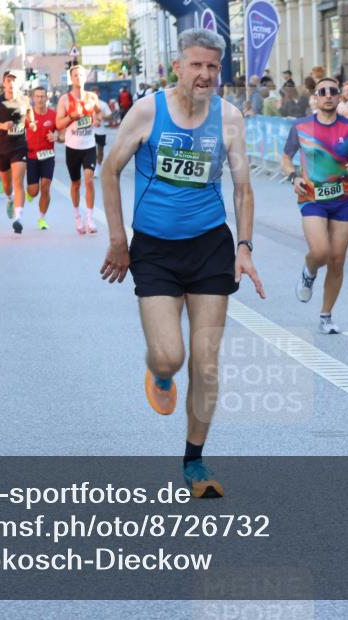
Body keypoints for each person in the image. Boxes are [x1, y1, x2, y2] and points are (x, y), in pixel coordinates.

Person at [99, 28, 264, 498]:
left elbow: (243, 189)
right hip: (155, 248)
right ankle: (160, 371)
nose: (205, 74)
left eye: (212, 66)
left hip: (210, 245)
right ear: (178, 66)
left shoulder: (228, 118)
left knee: (207, 364)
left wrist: (245, 246)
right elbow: (109, 171)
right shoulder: (148, 111)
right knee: (171, 354)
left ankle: (194, 460)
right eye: (196, 65)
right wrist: (118, 240)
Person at [280, 77, 348, 334]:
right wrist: (293, 176)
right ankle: (309, 272)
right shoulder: (301, 126)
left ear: (340, 96)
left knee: (337, 260)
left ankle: (326, 316)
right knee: (320, 251)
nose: (328, 95)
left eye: (333, 91)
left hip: (343, 199)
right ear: (316, 97)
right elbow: (286, 157)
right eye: (323, 91)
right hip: (312, 198)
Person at [0, 71, 32, 234]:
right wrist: (1, 126)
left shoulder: (24, 100)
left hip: (20, 146)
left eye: (14, 81)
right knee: (7, 186)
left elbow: (29, 114)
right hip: (2, 148)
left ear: (18, 83)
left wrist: (33, 124)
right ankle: (9, 199)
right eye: (8, 81)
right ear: (3, 84)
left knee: (18, 182)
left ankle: (18, 218)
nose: (11, 84)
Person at [56, 64, 101, 234]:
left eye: (81, 75)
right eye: (75, 75)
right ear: (71, 78)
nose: (78, 78)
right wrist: (71, 116)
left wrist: (97, 120)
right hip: (72, 148)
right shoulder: (64, 100)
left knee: (89, 181)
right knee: (76, 183)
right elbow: (59, 124)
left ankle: (90, 218)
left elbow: (98, 112)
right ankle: (77, 216)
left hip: (89, 146)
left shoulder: (92, 97)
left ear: (85, 77)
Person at [25, 86, 58, 230]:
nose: (40, 99)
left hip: (48, 155)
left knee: (45, 187)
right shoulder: (27, 115)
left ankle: (42, 218)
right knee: (34, 191)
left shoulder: (53, 115)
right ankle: (29, 193)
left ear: (46, 98)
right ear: (33, 98)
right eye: (37, 96)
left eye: (42, 96)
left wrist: (56, 136)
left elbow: (62, 133)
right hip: (31, 156)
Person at [92, 86, 112, 179]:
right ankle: (93, 168)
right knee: (91, 151)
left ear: (98, 94)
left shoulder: (103, 104)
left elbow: (110, 116)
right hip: (90, 131)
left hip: (101, 131)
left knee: (100, 151)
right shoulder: (87, 105)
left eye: (95, 94)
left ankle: (98, 167)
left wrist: (101, 116)